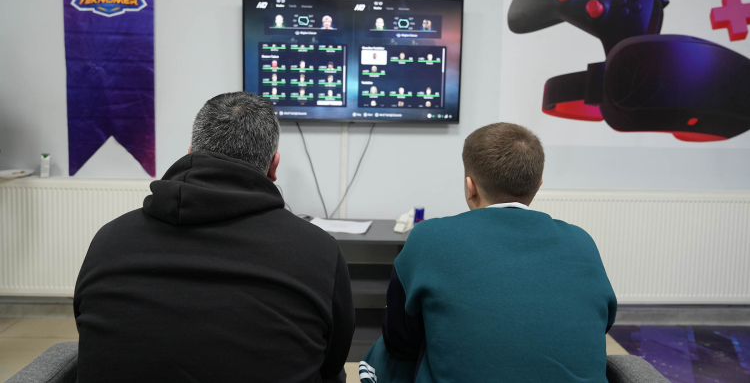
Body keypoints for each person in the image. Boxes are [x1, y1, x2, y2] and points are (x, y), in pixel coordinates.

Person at [74, 92, 355, 383]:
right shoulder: (318, 251)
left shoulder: (109, 240)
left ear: (190, 153)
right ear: (274, 166)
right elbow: (333, 358)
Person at [359, 123, 616, 383]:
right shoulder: (582, 242)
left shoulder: (429, 237)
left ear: (470, 186)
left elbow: (400, 339)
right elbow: (602, 323)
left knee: (381, 354)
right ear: (538, 186)